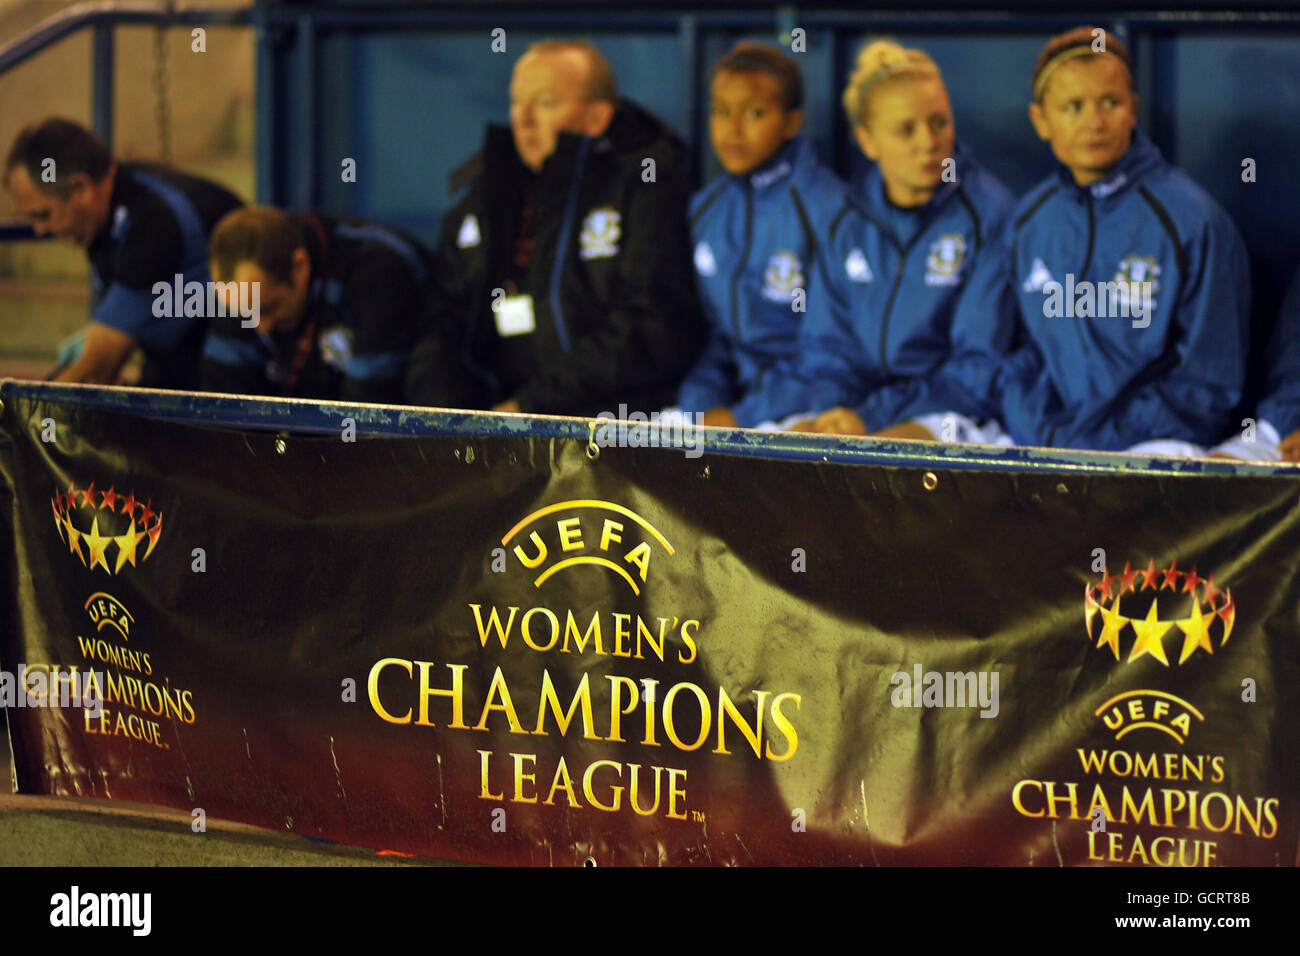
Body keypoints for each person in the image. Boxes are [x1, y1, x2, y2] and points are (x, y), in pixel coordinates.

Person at [828, 27, 1251, 452]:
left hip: (1154, 444)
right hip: (1043, 438)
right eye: (1073, 107)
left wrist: (1102, 441)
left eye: (1111, 103)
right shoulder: (1029, 221)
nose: (1094, 122)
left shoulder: (1195, 222)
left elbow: (1206, 384)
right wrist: (1041, 424)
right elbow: (1010, 357)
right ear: (1041, 121)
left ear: (1133, 110)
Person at [403, 39, 704, 418]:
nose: (523, 118)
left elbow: (653, 329)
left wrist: (530, 408)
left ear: (597, 118)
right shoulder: (490, 191)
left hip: (615, 426)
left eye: (546, 102)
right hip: (495, 423)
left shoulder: (647, 181)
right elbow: (442, 324)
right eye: (515, 101)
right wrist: (449, 420)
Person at [748, 40, 1013, 435]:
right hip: (859, 407)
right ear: (868, 141)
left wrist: (872, 417)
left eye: (939, 122)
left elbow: (977, 369)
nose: (928, 143)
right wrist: (835, 409)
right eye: (906, 130)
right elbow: (826, 348)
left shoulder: (990, 214)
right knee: (791, 445)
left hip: (953, 410)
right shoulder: (847, 219)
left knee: (894, 450)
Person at [672, 42, 846, 429]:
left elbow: (833, 353)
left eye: (754, 112)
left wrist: (740, 416)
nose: (733, 128)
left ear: (791, 122)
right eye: (721, 111)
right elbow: (714, 339)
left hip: (810, 406)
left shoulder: (831, 211)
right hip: (730, 407)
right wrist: (700, 406)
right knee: (639, 448)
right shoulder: (705, 208)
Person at [3, 118, 243, 388]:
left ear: (81, 189)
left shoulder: (155, 223)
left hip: (233, 386)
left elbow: (95, 373)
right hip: (178, 362)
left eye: (44, 214)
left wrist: (19, 417)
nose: (38, 229)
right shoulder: (104, 214)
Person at [199, 206, 431, 403]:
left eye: (268, 309)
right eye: (245, 314)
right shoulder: (246, 292)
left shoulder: (379, 273)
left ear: (299, 267)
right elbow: (224, 409)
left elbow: (365, 418)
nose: (261, 327)